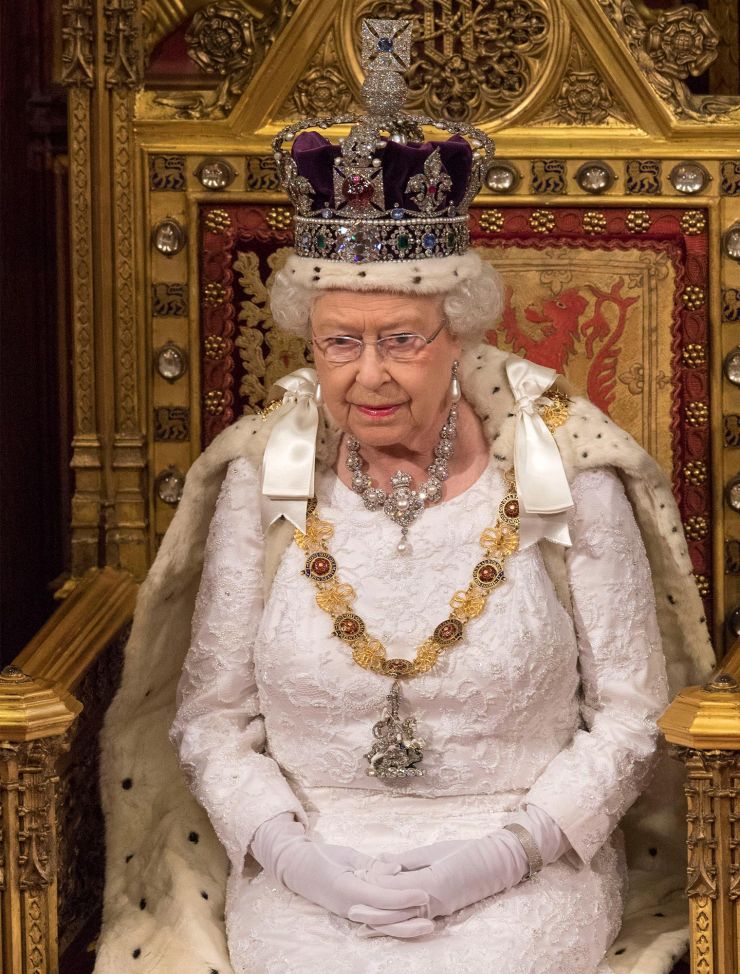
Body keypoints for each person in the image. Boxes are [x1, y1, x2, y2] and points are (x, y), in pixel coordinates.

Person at [93, 18, 715, 974]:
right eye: (341, 340)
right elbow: (210, 718)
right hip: (308, 867)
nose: (369, 375)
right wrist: (299, 859)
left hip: (523, 869)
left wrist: (505, 853)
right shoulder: (263, 479)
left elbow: (633, 714)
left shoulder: (564, 472)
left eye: (402, 339)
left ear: (458, 333)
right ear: (311, 342)